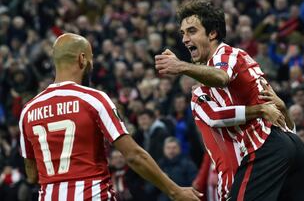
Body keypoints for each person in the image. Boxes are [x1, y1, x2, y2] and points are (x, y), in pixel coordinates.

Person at [155, 0, 304, 201]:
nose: (185, 39)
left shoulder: (224, 55)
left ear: (212, 33)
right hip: (289, 142)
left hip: (264, 149)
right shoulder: (236, 62)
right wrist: (276, 110)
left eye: (191, 31)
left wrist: (180, 67)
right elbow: (271, 111)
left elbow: (220, 83)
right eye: (182, 33)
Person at [18, 33, 201, 201]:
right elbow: (133, 155)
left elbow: (32, 174)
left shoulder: (28, 110)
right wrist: (174, 191)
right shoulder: (92, 99)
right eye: (91, 60)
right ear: (82, 59)